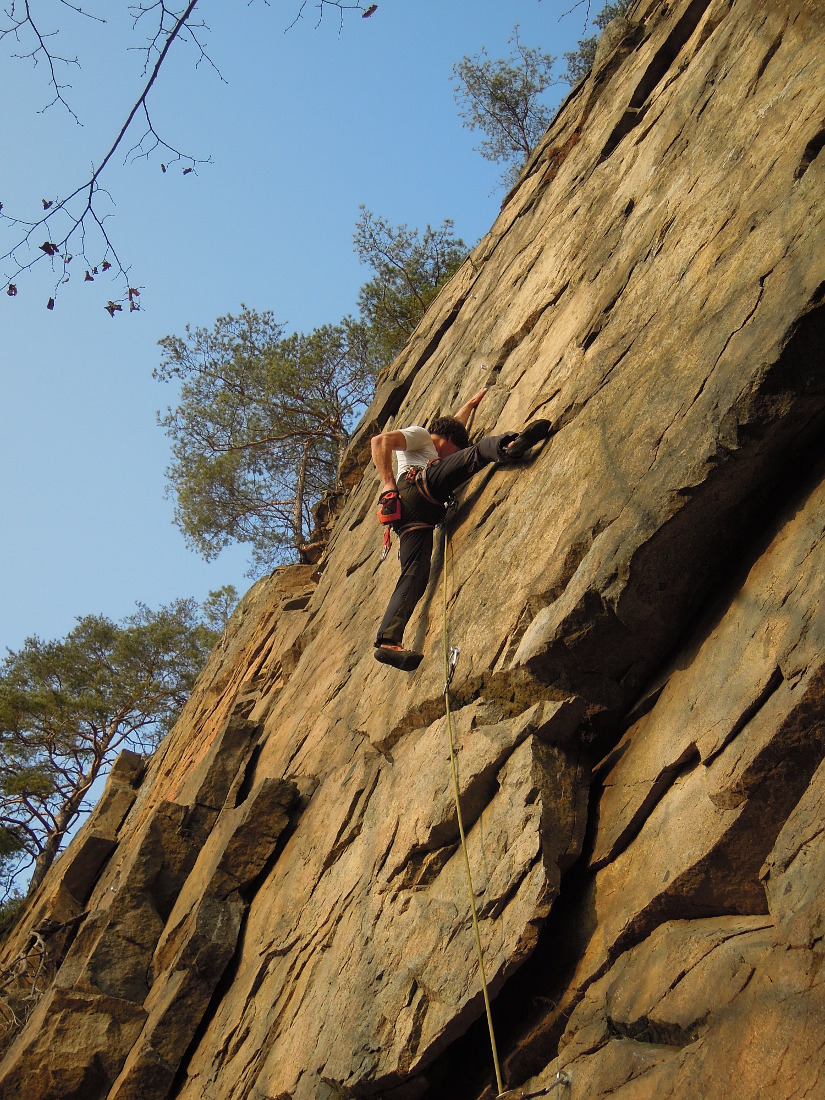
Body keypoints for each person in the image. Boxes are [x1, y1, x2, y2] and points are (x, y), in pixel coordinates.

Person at [371, 388, 552, 670]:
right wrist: (387, 483)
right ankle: (511, 445)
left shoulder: (437, 444)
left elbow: (455, 425)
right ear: (445, 441)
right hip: (418, 485)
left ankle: (388, 641)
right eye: (455, 446)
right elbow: (379, 440)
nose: (453, 456)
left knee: (415, 576)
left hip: (414, 518)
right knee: (477, 453)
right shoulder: (421, 435)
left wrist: (469, 405)